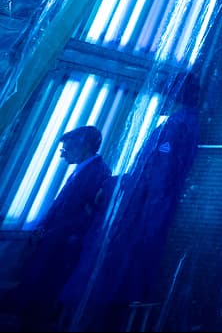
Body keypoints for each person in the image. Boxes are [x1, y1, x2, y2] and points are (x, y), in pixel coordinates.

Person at [60, 70, 201, 331]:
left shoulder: (176, 126)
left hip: (142, 216)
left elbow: (158, 177)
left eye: (162, 92)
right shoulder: (185, 124)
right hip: (146, 214)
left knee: (111, 284)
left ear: (173, 93)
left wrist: (117, 189)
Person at [9, 126, 111, 330]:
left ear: (84, 146)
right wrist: (43, 227)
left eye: (67, 148)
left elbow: (84, 214)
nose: (63, 153)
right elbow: (62, 205)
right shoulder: (83, 170)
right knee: (34, 293)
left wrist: (55, 233)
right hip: (55, 242)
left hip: (63, 247)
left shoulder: (98, 172)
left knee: (43, 295)